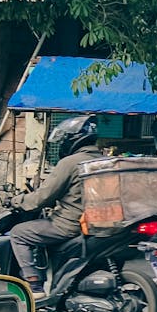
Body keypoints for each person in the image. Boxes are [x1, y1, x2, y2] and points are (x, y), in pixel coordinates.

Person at [8, 114, 101, 296]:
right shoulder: (104, 160)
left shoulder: (70, 163)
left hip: (70, 224)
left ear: (73, 139)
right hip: (98, 222)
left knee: (19, 233)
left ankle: (34, 286)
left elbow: (42, 198)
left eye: (65, 139)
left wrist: (16, 201)